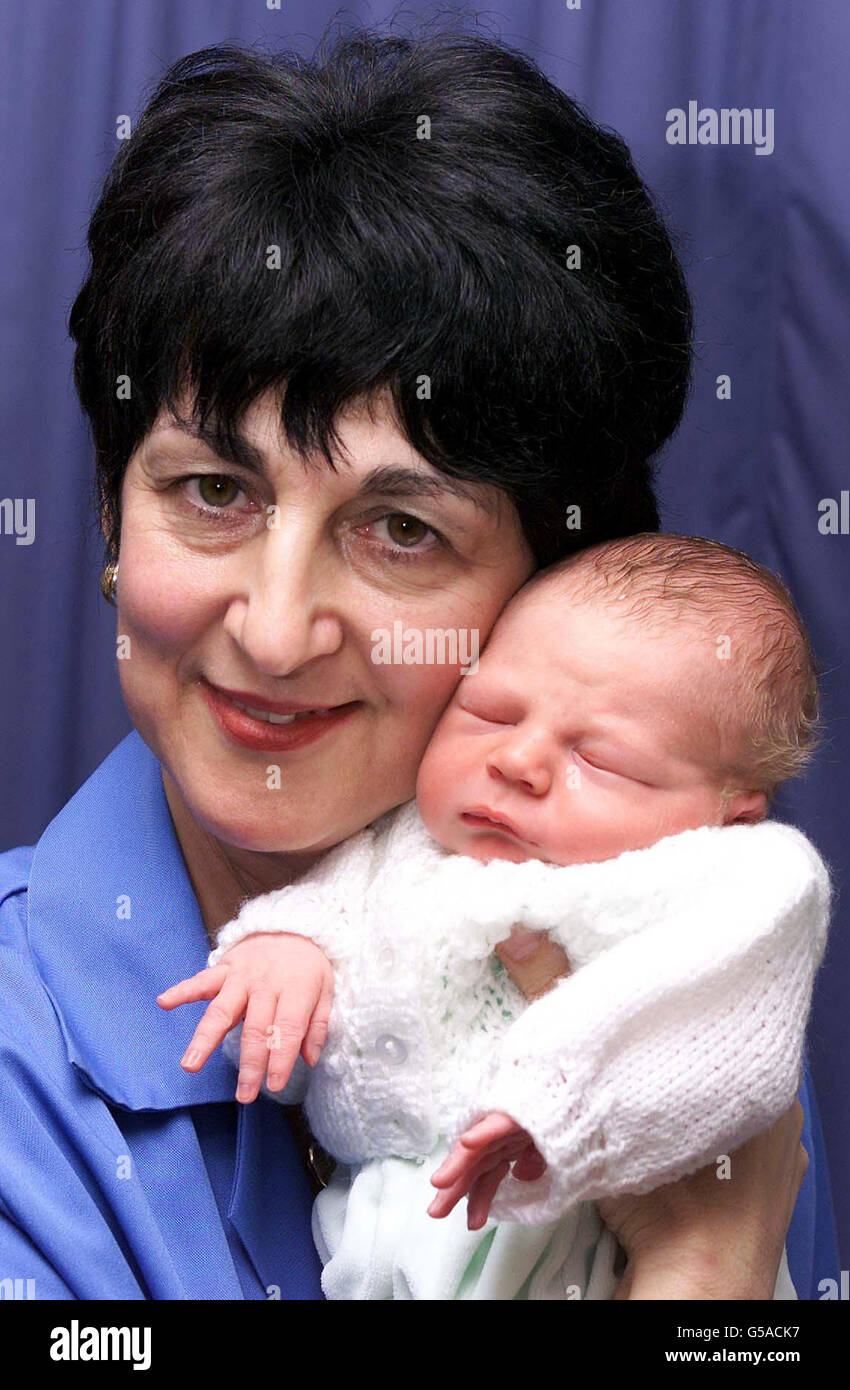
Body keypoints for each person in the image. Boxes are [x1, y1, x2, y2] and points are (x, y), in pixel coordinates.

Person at [0, 28, 838, 1299]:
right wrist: (704, 1262)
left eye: (402, 530)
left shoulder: (671, 952)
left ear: (551, 584)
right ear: (114, 523)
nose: (276, 631)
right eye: (213, 490)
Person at [160, 534, 831, 1300]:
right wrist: (286, 950)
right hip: (384, 1234)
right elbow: (331, 914)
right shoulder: (404, 840)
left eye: (600, 759)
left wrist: (564, 1109)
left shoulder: (739, 878)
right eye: (487, 713)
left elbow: (733, 1044)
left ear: (728, 817)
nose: (517, 760)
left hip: (576, 1232)